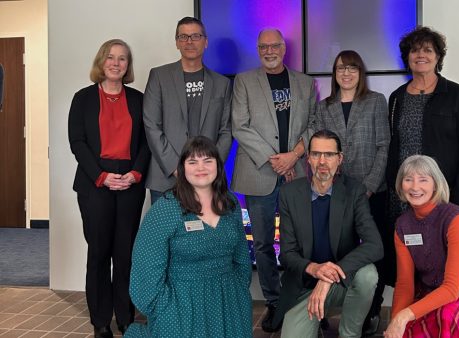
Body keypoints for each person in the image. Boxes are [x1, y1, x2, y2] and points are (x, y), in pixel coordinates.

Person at [231, 28, 316, 332]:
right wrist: (277, 160)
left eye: (274, 45)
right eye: (263, 46)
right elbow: (239, 126)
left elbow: (315, 125)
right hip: (259, 173)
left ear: (284, 48)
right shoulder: (243, 81)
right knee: (264, 242)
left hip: (298, 171)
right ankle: (273, 302)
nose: (269, 51)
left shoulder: (305, 83)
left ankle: (300, 299)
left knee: (302, 241)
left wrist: (293, 156)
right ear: (258, 49)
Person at [125, 136, 252, 338]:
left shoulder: (231, 205)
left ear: (218, 166)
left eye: (207, 161)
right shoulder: (166, 209)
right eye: (192, 162)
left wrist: (238, 293)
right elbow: (145, 272)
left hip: (229, 305)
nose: (200, 167)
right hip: (182, 308)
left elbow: (242, 258)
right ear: (182, 169)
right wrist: (165, 310)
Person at [386, 26, 459, 290]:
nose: (421, 55)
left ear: (438, 57)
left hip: (448, 196)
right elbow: (394, 147)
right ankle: (416, 315)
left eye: (428, 50)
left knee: (455, 258)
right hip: (408, 195)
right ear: (407, 57)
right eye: (415, 50)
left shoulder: (456, 95)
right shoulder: (397, 98)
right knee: (412, 260)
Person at [68, 39, 150, 338]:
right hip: (94, 183)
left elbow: (146, 143)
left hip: (130, 181)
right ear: (101, 61)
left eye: (123, 59)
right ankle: (100, 320)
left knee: (125, 253)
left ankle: (125, 316)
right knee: (100, 252)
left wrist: (136, 173)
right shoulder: (83, 98)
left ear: (128, 66)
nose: (116, 63)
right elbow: (77, 142)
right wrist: (101, 176)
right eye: (111, 57)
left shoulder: (139, 100)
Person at [272, 129, 383, 337]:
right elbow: (286, 254)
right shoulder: (289, 193)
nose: (322, 161)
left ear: (339, 158)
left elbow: (375, 245)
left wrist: (330, 275)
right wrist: (314, 269)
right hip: (304, 286)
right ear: (309, 158)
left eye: (329, 155)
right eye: (316, 154)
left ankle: (349, 334)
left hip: (341, 283)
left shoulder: (354, 191)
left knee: (368, 274)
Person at [313, 50, 391, 335]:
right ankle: (322, 306)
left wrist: (369, 187)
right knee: (333, 246)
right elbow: (321, 150)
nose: (346, 73)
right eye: (340, 68)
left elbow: (384, 146)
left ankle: (371, 310)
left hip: (373, 190)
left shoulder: (375, 102)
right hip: (336, 191)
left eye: (352, 68)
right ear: (334, 74)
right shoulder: (324, 106)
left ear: (361, 72)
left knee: (374, 250)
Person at [383, 155, 459, 337]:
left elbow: (452, 289)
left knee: (448, 316)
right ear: (401, 185)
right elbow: (405, 284)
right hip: (430, 296)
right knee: (405, 327)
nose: (415, 187)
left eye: (423, 180)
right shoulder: (402, 225)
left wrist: (405, 315)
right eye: (408, 179)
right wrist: (396, 322)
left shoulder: (456, 219)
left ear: (435, 185)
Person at [144, 16, 232, 205]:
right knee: (166, 234)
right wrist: (177, 168)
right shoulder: (159, 76)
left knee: (204, 234)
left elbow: (226, 130)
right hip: (166, 177)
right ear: (176, 42)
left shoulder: (222, 84)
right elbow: (152, 125)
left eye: (195, 36)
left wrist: (208, 168)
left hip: (207, 180)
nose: (189, 42)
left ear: (206, 42)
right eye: (183, 37)